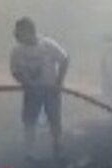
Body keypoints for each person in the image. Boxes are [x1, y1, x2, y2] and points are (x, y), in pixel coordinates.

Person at [9, 16, 70, 161]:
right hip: (31, 92)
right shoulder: (17, 50)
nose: (17, 35)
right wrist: (25, 83)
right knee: (29, 121)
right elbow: (15, 71)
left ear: (30, 31)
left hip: (51, 90)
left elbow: (64, 59)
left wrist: (59, 82)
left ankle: (58, 147)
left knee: (54, 119)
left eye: (20, 32)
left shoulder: (47, 45)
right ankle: (30, 152)